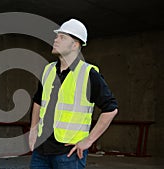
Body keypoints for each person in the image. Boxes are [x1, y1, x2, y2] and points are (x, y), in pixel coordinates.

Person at [29, 18, 118, 169]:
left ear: (75, 45)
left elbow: (110, 109)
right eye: (57, 36)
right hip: (41, 150)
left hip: (68, 154)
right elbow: (38, 100)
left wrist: (88, 141)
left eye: (62, 37)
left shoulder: (88, 74)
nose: (56, 40)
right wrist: (33, 130)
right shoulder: (49, 70)